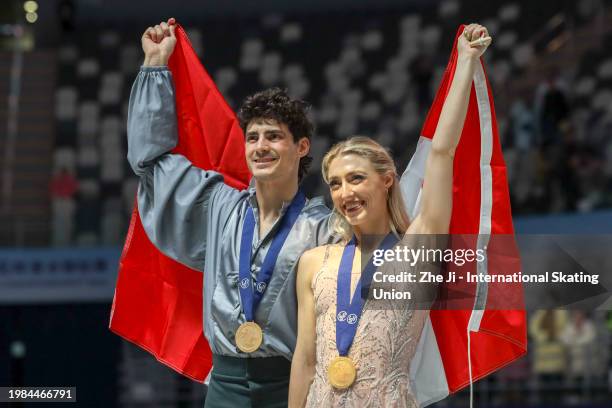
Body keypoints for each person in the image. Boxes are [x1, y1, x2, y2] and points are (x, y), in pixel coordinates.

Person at [129, 18, 332, 407]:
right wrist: (155, 66)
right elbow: (151, 162)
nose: (260, 146)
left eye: (273, 136)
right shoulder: (218, 205)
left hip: (294, 386)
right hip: (224, 385)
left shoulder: (322, 228)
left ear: (301, 147)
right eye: (252, 137)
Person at [288, 23, 491, 407]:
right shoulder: (312, 263)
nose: (344, 192)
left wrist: (465, 61)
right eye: (335, 184)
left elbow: (442, 153)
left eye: (356, 179)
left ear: (386, 181)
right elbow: (305, 359)